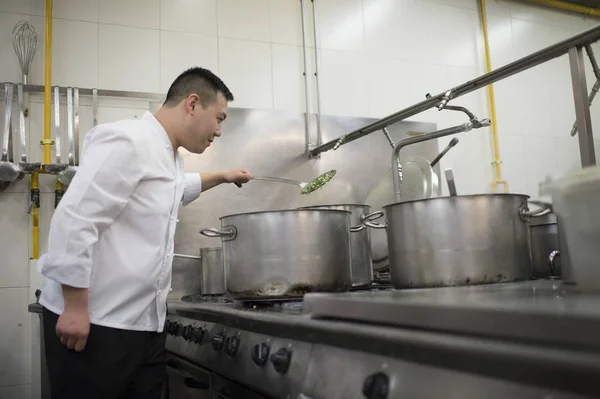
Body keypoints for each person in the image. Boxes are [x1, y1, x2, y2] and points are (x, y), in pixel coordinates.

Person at [37, 67, 253, 399]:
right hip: (96, 325)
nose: (219, 131)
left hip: (143, 326)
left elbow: (173, 190)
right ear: (193, 104)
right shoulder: (129, 140)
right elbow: (76, 219)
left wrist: (224, 175)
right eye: (219, 118)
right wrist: (76, 306)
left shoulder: (168, 156)